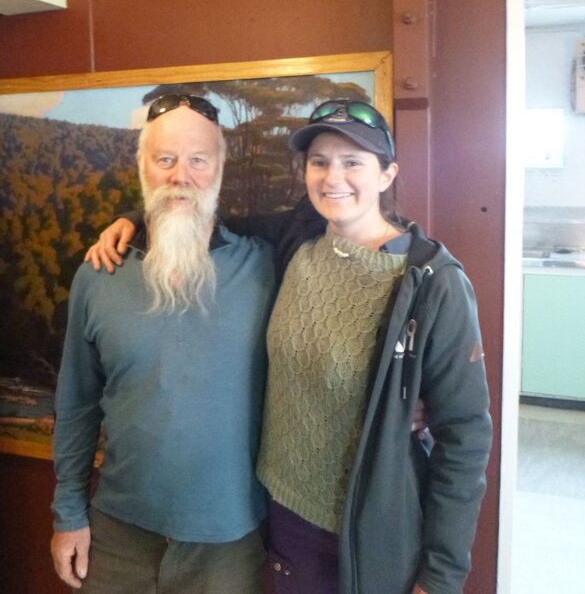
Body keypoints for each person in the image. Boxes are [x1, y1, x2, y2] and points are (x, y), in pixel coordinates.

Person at [89, 99, 493, 594]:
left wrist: (442, 576)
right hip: (281, 521)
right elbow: (194, 209)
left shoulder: (432, 283)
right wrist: (134, 216)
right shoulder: (293, 241)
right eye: (319, 162)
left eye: (353, 162)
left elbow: (466, 437)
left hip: (368, 536)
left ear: (387, 175)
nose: (333, 177)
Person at [50, 94, 275, 593]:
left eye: (199, 160)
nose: (181, 176)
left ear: (219, 169)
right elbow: (77, 405)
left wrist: (404, 399)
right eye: (165, 159)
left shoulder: (266, 268)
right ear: (142, 166)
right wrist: (68, 512)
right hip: (117, 533)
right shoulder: (98, 274)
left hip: (230, 545)